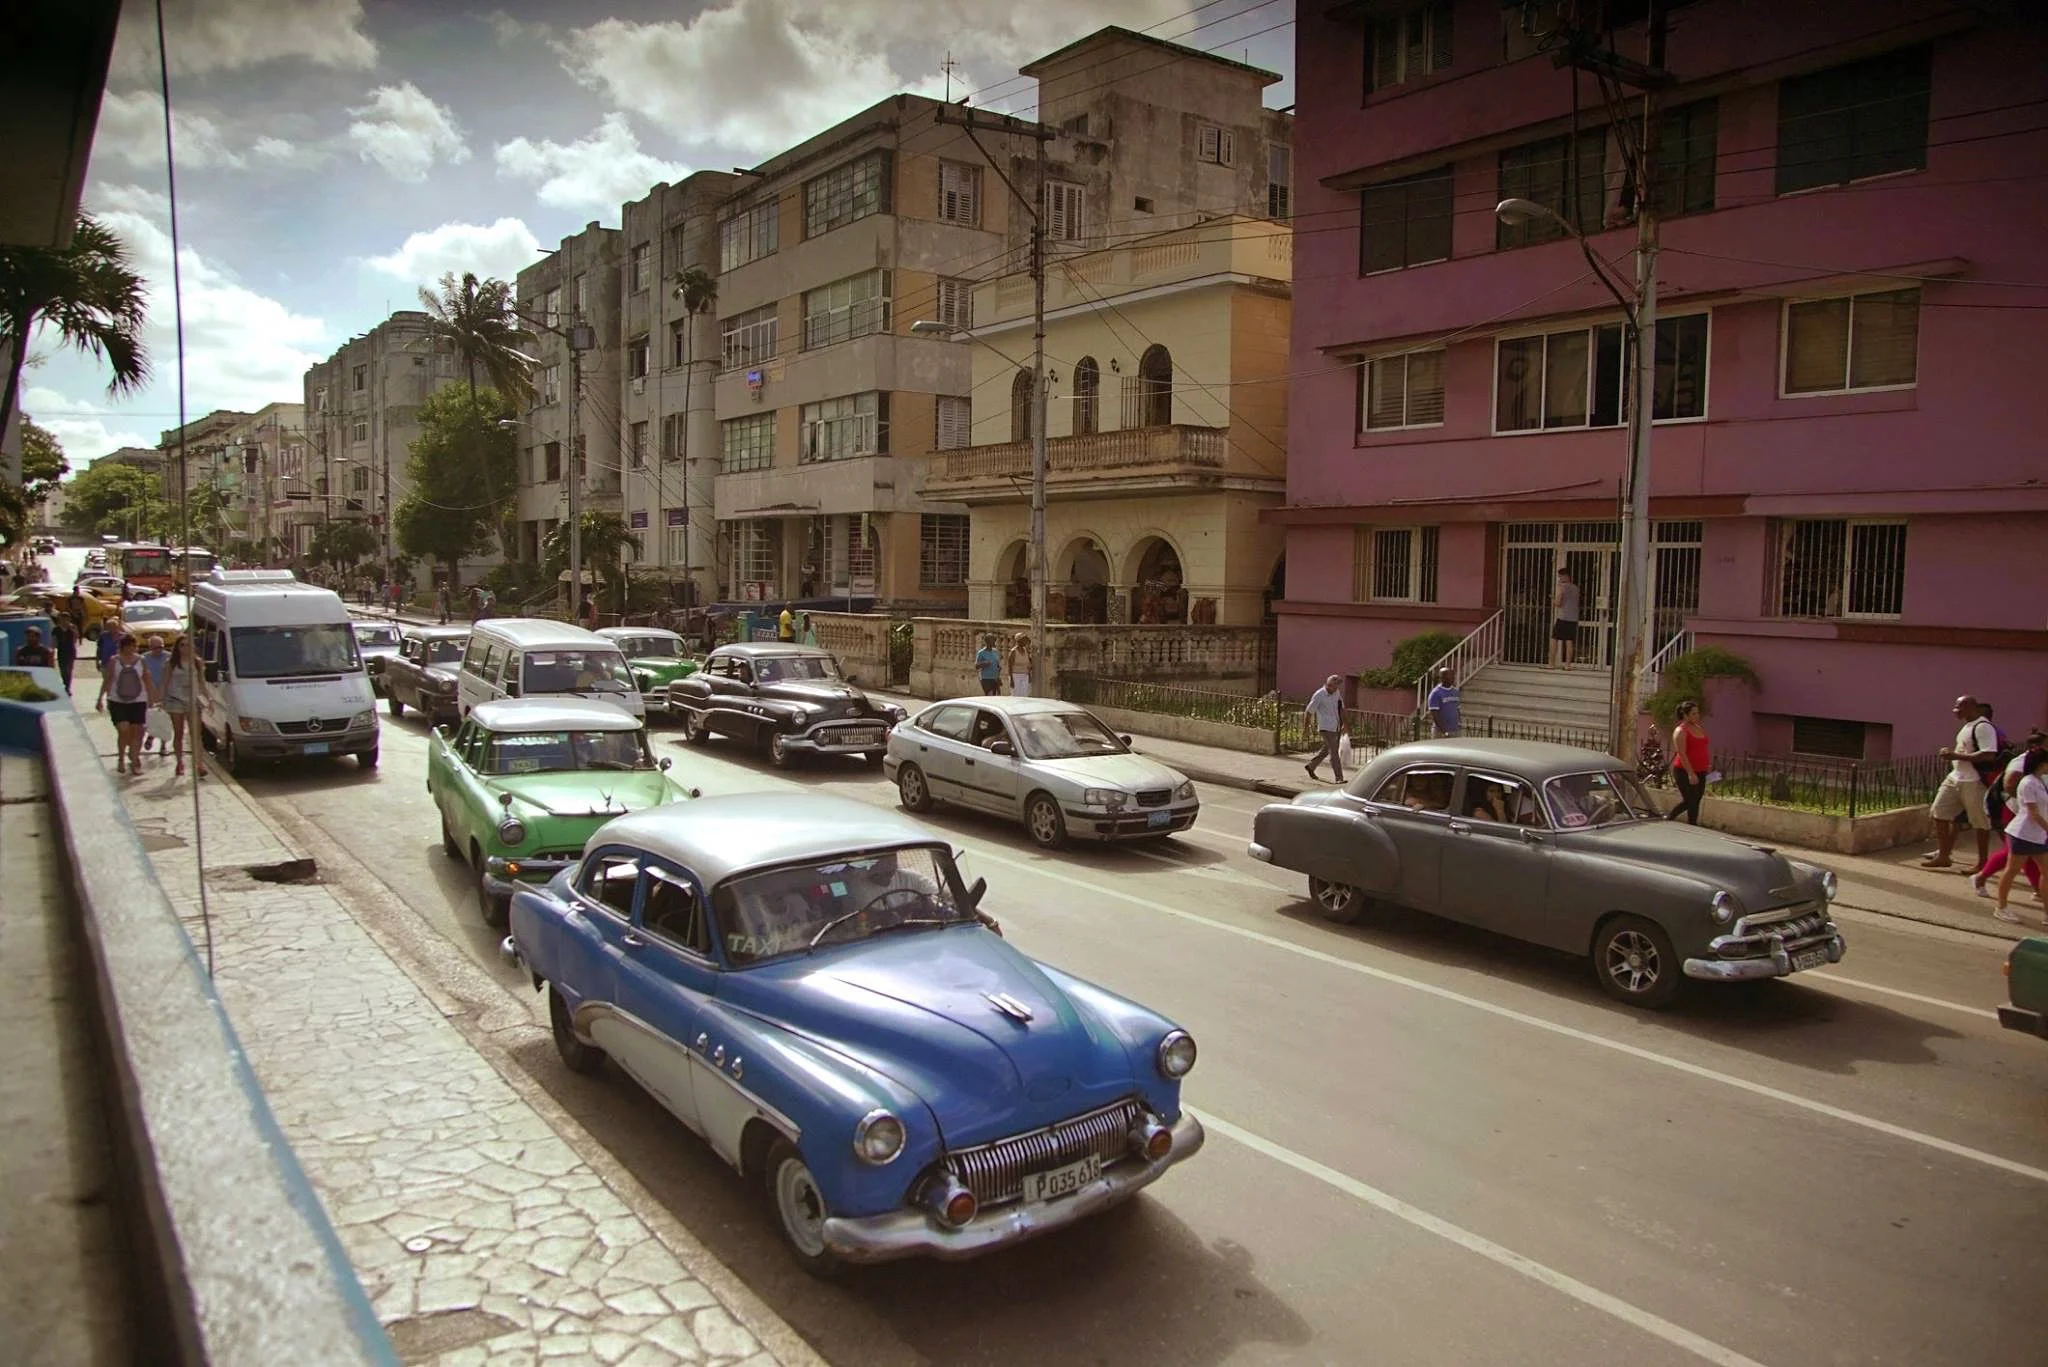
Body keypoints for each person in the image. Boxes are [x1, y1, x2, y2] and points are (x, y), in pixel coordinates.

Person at [1925, 695, 1999, 870]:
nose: (1956, 711)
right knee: (1939, 812)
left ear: (1971, 707)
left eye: (1959, 707)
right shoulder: (1967, 726)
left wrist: (1955, 756)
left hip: (1973, 781)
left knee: (1980, 822)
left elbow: (1989, 754)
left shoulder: (1983, 727)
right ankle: (1944, 856)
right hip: (1955, 777)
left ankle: (1982, 862)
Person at [1974, 730, 2047, 903]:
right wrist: (2028, 803)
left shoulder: (2041, 767)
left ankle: (2039, 890)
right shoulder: (2021, 764)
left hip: (2036, 817)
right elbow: (2009, 785)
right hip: (2017, 813)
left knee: (2027, 854)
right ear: (2035, 747)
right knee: (2015, 854)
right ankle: (1983, 879)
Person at [1992, 747, 2048, 926]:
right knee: (2012, 870)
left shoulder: (2041, 781)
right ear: (2041, 764)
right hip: (2023, 834)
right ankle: (2001, 907)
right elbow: (2033, 813)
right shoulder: (2028, 783)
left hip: (2038, 835)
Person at [101, 635, 153, 775]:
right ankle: (121, 758)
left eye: (133, 645)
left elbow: (147, 679)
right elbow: (108, 679)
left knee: (138, 730)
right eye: (128, 645)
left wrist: (151, 698)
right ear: (122, 646)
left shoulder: (141, 661)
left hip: (138, 700)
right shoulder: (114, 661)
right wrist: (100, 697)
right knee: (123, 730)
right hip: (118, 700)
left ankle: (134, 759)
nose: (131, 648)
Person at [160, 637, 203, 778]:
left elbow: (202, 683)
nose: (185, 647)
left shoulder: (197, 662)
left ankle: (199, 764)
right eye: (182, 645)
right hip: (175, 700)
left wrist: (208, 699)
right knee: (179, 733)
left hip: (192, 700)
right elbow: (165, 683)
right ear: (177, 648)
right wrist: (162, 700)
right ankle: (179, 762)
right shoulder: (171, 664)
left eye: (188, 644)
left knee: (195, 734)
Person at [1664, 700, 1711, 825]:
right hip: (1684, 771)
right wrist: (1691, 773)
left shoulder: (1698, 728)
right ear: (1685, 715)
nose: (1697, 716)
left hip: (1701, 770)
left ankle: (1692, 825)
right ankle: (1669, 818)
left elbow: (1702, 747)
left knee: (1696, 801)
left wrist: (1707, 764)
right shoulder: (1681, 731)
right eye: (1694, 714)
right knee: (1690, 800)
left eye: (1697, 713)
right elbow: (1682, 753)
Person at [1303, 674, 1348, 783]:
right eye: (1335, 686)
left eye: (1338, 686)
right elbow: (1309, 711)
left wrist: (1345, 724)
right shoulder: (1319, 695)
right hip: (1325, 727)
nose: (1337, 689)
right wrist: (1306, 728)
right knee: (1334, 752)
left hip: (1335, 726)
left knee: (1326, 750)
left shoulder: (1336, 693)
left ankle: (1311, 766)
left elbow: (1341, 707)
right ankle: (1339, 778)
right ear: (1329, 685)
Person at [138, 634, 171, 756]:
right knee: (150, 718)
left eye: (161, 647)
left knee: (164, 719)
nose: (158, 650)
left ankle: (163, 746)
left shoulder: (169, 657)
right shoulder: (144, 659)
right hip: (149, 693)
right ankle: (151, 735)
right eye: (155, 647)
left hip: (165, 692)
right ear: (150, 647)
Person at [1551, 567, 1580, 668]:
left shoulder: (1561, 587)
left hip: (1563, 617)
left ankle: (1552, 664)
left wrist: (1553, 600)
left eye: (1560, 576)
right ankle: (1567, 665)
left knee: (1554, 639)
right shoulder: (1576, 588)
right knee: (1569, 641)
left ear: (1565, 576)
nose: (1559, 578)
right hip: (1573, 617)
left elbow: (1558, 602)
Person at [1425, 667, 1461, 737]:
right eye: (1449, 676)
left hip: (1455, 730)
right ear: (1442, 678)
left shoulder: (1456, 692)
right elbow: (1434, 714)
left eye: (1452, 675)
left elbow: (1457, 709)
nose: (1452, 678)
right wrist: (1444, 731)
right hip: (1440, 732)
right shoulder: (1436, 693)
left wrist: (1459, 723)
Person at [51, 612, 79, 694]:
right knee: (63, 670)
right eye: (62, 619)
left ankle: (67, 687)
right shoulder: (56, 629)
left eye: (66, 619)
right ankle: (65, 683)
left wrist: (73, 630)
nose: (64, 621)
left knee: (69, 670)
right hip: (61, 651)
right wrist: (53, 650)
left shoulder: (72, 627)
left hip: (70, 651)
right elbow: (54, 641)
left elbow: (76, 638)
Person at [1006, 632, 1033, 697]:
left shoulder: (1026, 650)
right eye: (1024, 640)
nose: (1025, 641)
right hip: (1015, 676)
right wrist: (1011, 680)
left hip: (1025, 675)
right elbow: (1009, 666)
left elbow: (1028, 664)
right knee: (1016, 695)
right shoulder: (1013, 652)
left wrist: (1029, 676)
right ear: (1019, 640)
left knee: (1024, 695)